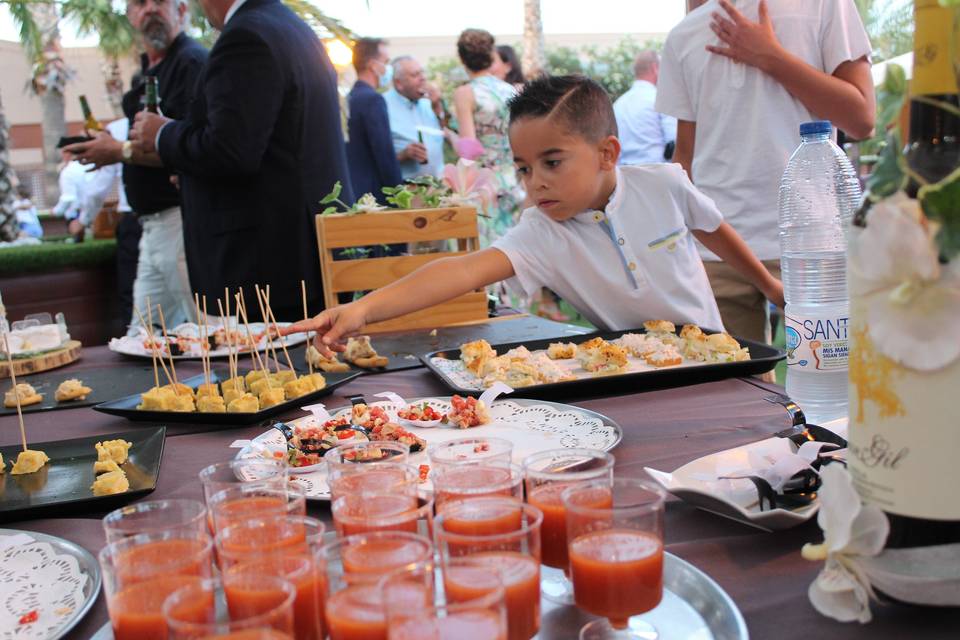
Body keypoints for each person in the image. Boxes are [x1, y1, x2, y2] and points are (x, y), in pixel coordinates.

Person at [285, 76, 782, 352]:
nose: (534, 181)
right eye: (523, 168)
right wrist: (363, 309)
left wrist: (770, 286)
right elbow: (460, 270)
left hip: (716, 356)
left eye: (552, 162)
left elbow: (713, 230)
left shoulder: (664, 183)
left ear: (607, 153)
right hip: (634, 374)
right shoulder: (541, 231)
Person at [656, 0, 873, 342]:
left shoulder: (825, 5)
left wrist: (770, 56)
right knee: (730, 391)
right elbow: (685, 156)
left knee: (832, 382)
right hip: (716, 249)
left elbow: (861, 120)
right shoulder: (684, 34)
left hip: (811, 239)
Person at [131, 0, 353, 321]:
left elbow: (231, 150)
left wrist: (162, 134)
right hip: (300, 254)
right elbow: (273, 145)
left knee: (271, 371)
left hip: (267, 267)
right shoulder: (291, 28)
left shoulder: (246, 37)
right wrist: (194, 173)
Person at [67, 0, 207, 333]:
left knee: (211, 333)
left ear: (182, 9)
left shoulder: (191, 62)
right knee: (141, 339)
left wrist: (117, 150)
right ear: (130, 15)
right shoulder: (150, 71)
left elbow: (198, 148)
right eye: (140, 3)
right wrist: (111, 146)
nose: (151, 9)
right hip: (152, 228)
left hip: (183, 222)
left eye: (160, 1)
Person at [453, 28, 523, 247]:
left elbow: (469, 148)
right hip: (513, 180)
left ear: (462, 59)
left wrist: (460, 191)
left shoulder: (466, 93)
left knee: (486, 250)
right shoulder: (511, 91)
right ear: (492, 55)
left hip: (485, 185)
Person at [81, 115, 139, 333]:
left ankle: (137, 342)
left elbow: (98, 188)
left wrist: (82, 221)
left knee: (131, 292)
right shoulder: (171, 117)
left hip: (134, 222)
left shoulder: (115, 130)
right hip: (171, 218)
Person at [347, 38, 403, 203]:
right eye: (386, 62)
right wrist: (399, 195)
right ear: (373, 65)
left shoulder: (351, 97)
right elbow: (384, 152)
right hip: (373, 195)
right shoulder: (372, 99)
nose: (388, 69)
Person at [384, 56, 444, 180]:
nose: (423, 78)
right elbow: (375, 158)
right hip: (407, 190)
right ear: (399, 83)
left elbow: (445, 134)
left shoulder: (427, 102)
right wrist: (404, 154)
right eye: (415, 75)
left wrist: (437, 106)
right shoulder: (382, 105)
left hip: (437, 185)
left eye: (422, 72)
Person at [613, 50, 676, 165]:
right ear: (655, 68)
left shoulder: (618, 104)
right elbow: (673, 143)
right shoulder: (661, 99)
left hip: (624, 175)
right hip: (657, 175)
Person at [51, 148, 95, 240]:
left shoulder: (68, 171)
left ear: (67, 154)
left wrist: (56, 211)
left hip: (76, 216)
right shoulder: (91, 165)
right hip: (93, 212)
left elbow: (69, 198)